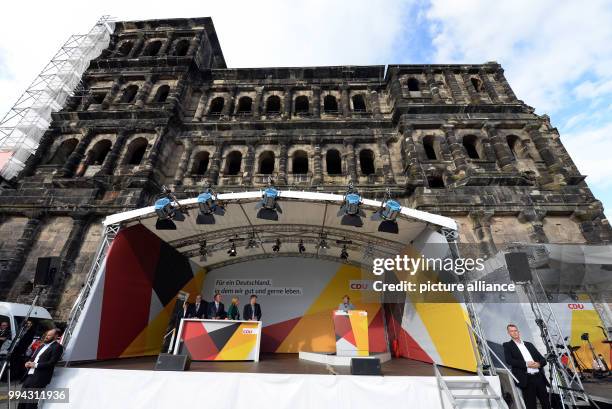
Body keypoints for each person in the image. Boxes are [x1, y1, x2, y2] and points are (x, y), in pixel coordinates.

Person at [503, 324, 551, 409]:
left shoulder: (529, 344)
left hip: (539, 378)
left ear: (518, 332)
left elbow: (543, 359)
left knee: (546, 404)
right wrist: (526, 364)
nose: (514, 333)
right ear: (508, 333)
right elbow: (509, 360)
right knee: (531, 405)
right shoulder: (507, 345)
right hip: (526, 380)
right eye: (511, 331)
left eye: (515, 330)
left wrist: (539, 364)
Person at [18, 328, 64, 409]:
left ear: (56, 336)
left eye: (49, 335)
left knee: (30, 404)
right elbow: (34, 358)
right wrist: (28, 362)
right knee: (22, 401)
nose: (46, 336)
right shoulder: (42, 345)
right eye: (46, 335)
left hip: (39, 378)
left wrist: (35, 365)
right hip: (29, 375)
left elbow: (52, 363)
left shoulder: (57, 347)